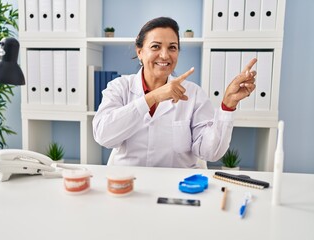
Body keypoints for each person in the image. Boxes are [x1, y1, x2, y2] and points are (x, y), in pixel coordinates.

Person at [92, 17, 256, 168]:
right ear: (140, 52)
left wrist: (228, 105)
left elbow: (210, 153)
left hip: (178, 187)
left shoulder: (193, 94)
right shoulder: (120, 87)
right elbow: (103, 136)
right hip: (129, 183)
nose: (164, 55)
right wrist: (152, 98)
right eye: (155, 46)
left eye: (172, 47)